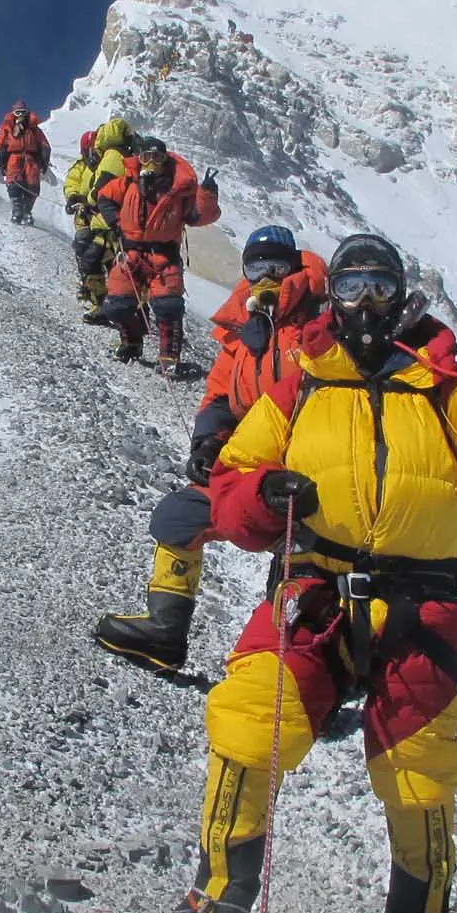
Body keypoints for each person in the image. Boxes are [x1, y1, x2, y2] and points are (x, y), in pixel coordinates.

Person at [165, 236, 457, 913]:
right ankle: (216, 895)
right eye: (352, 286)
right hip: (314, 590)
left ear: (402, 294)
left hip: (420, 604)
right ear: (334, 295)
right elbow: (234, 481)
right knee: (249, 722)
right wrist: (265, 496)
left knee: (422, 771)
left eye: (381, 285)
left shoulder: (444, 384)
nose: (367, 303)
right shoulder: (303, 383)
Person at [93, 226, 330, 670]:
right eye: (257, 267)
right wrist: (207, 443)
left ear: (296, 267)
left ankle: (296, 664)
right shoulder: (242, 329)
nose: (267, 277)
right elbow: (221, 394)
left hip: (312, 477)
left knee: (299, 565)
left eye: (278, 266)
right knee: (179, 515)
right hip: (252, 471)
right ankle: (164, 632)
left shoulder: (323, 324)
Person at [94, 138, 220, 371]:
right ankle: (131, 342)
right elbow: (104, 197)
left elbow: (200, 217)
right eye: (146, 158)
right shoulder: (128, 182)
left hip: (164, 256)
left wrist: (208, 196)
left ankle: (169, 358)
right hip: (131, 253)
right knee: (117, 304)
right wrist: (116, 223)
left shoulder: (179, 189)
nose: (151, 162)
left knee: (168, 305)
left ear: (166, 160)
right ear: (139, 160)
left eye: (157, 158)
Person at [61, 130, 118, 312]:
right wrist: (74, 197)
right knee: (86, 253)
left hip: (105, 220)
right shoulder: (80, 167)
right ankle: (95, 295)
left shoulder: (108, 165)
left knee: (111, 259)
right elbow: (71, 184)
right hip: (86, 220)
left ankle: (115, 299)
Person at [0, 101, 51, 224]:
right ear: (13, 114)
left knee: (33, 185)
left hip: (31, 159)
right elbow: (0, 145)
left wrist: (44, 162)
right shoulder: (7, 128)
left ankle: (27, 211)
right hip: (14, 157)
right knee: (14, 183)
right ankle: (17, 210)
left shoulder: (34, 129)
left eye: (23, 112)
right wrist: (2, 163)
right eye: (18, 113)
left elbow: (44, 145)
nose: (20, 115)